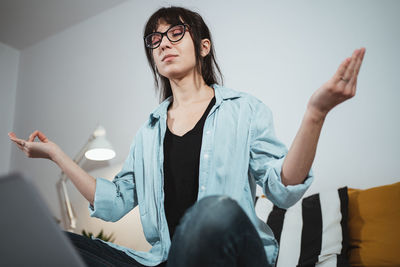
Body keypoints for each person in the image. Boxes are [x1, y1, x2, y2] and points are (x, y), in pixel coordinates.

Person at [8, 6, 365, 267]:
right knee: (54, 244)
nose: (164, 43)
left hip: (234, 254)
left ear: (203, 46)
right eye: (155, 39)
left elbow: (282, 189)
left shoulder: (244, 110)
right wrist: (56, 153)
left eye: (176, 33)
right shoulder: (147, 133)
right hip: (166, 259)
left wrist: (315, 114)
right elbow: (115, 202)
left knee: (215, 210)